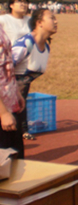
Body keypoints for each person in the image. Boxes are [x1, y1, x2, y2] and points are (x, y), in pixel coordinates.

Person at [12, 9, 57, 150]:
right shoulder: (25, 44)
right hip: (6, 99)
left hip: (18, 99)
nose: (56, 21)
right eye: (52, 18)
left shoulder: (46, 47)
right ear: (39, 23)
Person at [0, 0, 33, 141]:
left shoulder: (29, 21)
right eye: (19, 2)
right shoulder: (4, 20)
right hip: (8, 65)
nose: (23, 5)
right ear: (11, 5)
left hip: (21, 66)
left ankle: (21, 128)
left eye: (25, 2)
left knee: (20, 96)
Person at [0, 24, 26, 158]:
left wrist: (16, 91)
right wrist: (3, 112)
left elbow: (6, 63)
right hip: (2, 109)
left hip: (9, 102)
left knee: (16, 160)